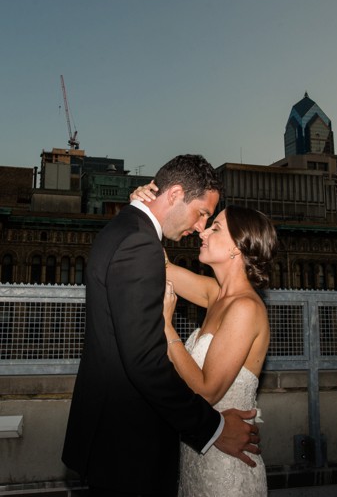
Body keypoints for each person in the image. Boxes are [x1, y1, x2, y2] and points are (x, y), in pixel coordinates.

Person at [62, 155, 261, 497]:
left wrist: (145, 209)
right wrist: (212, 428)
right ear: (175, 194)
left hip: (131, 443)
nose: (201, 227)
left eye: (213, 225)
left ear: (237, 250)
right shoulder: (140, 243)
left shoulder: (131, 234)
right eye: (203, 215)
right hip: (131, 447)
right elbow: (144, 361)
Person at [134, 182, 276, 496]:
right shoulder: (215, 295)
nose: (203, 233)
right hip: (198, 452)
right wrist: (144, 210)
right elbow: (162, 266)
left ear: (236, 247)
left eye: (215, 228)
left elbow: (206, 390)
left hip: (225, 467)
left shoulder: (245, 308)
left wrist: (167, 327)